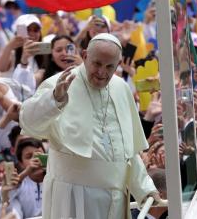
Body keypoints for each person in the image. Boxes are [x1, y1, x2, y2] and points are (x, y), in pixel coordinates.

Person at [19, 33, 159, 219]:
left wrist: (145, 188)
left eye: (110, 66)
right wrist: (55, 99)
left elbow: (128, 152)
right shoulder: (59, 83)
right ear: (85, 56)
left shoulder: (121, 88)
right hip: (73, 198)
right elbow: (28, 123)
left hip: (115, 200)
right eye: (97, 64)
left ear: (118, 65)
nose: (102, 72)